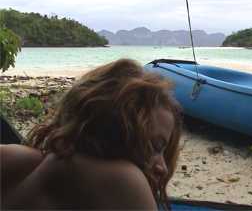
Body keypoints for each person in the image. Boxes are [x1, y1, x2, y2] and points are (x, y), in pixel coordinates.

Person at [0, 59, 182, 210]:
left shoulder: (17, 159)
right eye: (154, 147)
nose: (163, 168)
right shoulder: (124, 181)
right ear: (113, 133)